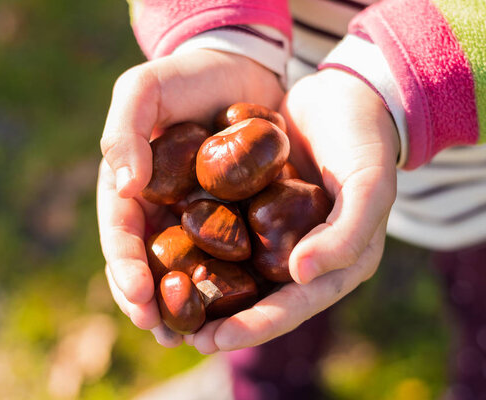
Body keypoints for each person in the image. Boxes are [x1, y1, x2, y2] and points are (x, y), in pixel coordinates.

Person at [97, 0, 486, 398]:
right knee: (284, 310)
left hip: (473, 179)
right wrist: (216, 36)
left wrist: (394, 74)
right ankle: (268, 384)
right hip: (303, 105)